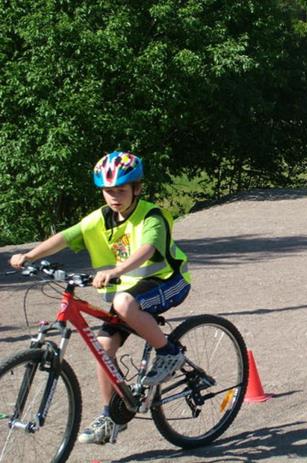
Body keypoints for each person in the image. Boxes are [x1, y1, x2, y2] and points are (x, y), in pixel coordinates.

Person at [9, 151, 191, 445]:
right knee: (102, 349)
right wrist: (29, 255)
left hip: (168, 281)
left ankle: (169, 352)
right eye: (108, 191)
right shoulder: (100, 218)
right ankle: (111, 416)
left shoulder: (152, 215)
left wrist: (117, 269)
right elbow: (66, 237)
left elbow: (147, 248)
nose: (114, 197)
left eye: (121, 190)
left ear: (137, 188)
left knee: (122, 304)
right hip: (129, 288)